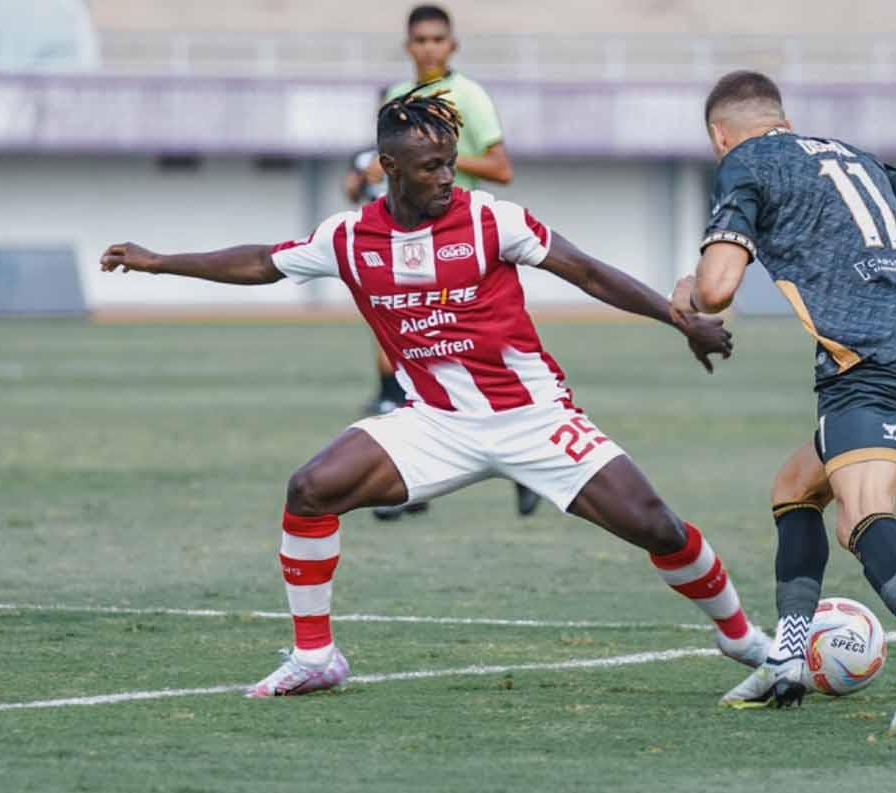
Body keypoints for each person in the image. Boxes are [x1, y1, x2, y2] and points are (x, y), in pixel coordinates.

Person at [100, 90, 771, 698]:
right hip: (436, 424)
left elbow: (589, 272)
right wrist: (160, 261)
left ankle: (741, 636)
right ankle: (315, 657)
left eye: (450, 162)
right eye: (431, 167)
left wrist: (681, 320)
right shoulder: (350, 237)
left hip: (532, 417)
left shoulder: (491, 221)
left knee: (657, 524)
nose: (447, 176)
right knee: (310, 489)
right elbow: (260, 263)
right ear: (390, 168)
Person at [669, 71, 896, 736]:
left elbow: (719, 288)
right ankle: (786, 656)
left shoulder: (743, 164)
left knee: (861, 515)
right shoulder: (853, 158)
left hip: (867, 360)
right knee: (794, 487)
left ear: (718, 136)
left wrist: (685, 292)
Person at [348, 3, 537, 516]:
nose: (429, 48)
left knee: (476, 362)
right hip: (409, 239)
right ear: (408, 46)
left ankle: (525, 463)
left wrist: (438, 162)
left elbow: (501, 168)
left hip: (463, 241)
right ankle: (408, 482)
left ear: (452, 46)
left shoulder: (468, 96)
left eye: (438, 39)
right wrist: (363, 175)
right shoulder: (395, 97)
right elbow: (385, 163)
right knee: (401, 339)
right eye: (420, 40)